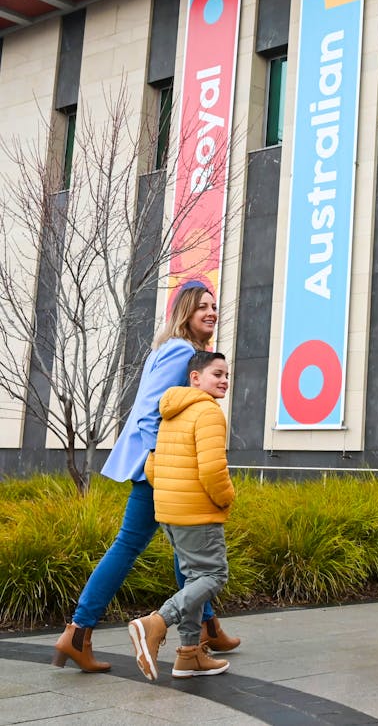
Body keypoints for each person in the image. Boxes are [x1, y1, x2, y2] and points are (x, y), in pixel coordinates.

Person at [52, 282, 239, 672]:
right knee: (132, 546)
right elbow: (150, 411)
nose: (210, 312)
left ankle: (206, 627)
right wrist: (160, 459)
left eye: (213, 306)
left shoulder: (174, 349)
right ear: (184, 312)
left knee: (181, 549)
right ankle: (79, 630)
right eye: (201, 306)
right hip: (156, 468)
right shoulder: (181, 351)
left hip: (157, 466)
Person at [129, 350, 235, 681]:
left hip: (170, 512)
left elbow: (153, 464)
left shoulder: (172, 411)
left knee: (193, 579)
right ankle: (156, 623)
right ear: (195, 378)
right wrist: (226, 499)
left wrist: (172, 494)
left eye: (227, 375)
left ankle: (189, 655)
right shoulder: (208, 413)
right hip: (198, 512)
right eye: (217, 374)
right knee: (214, 575)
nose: (224, 381)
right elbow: (213, 470)